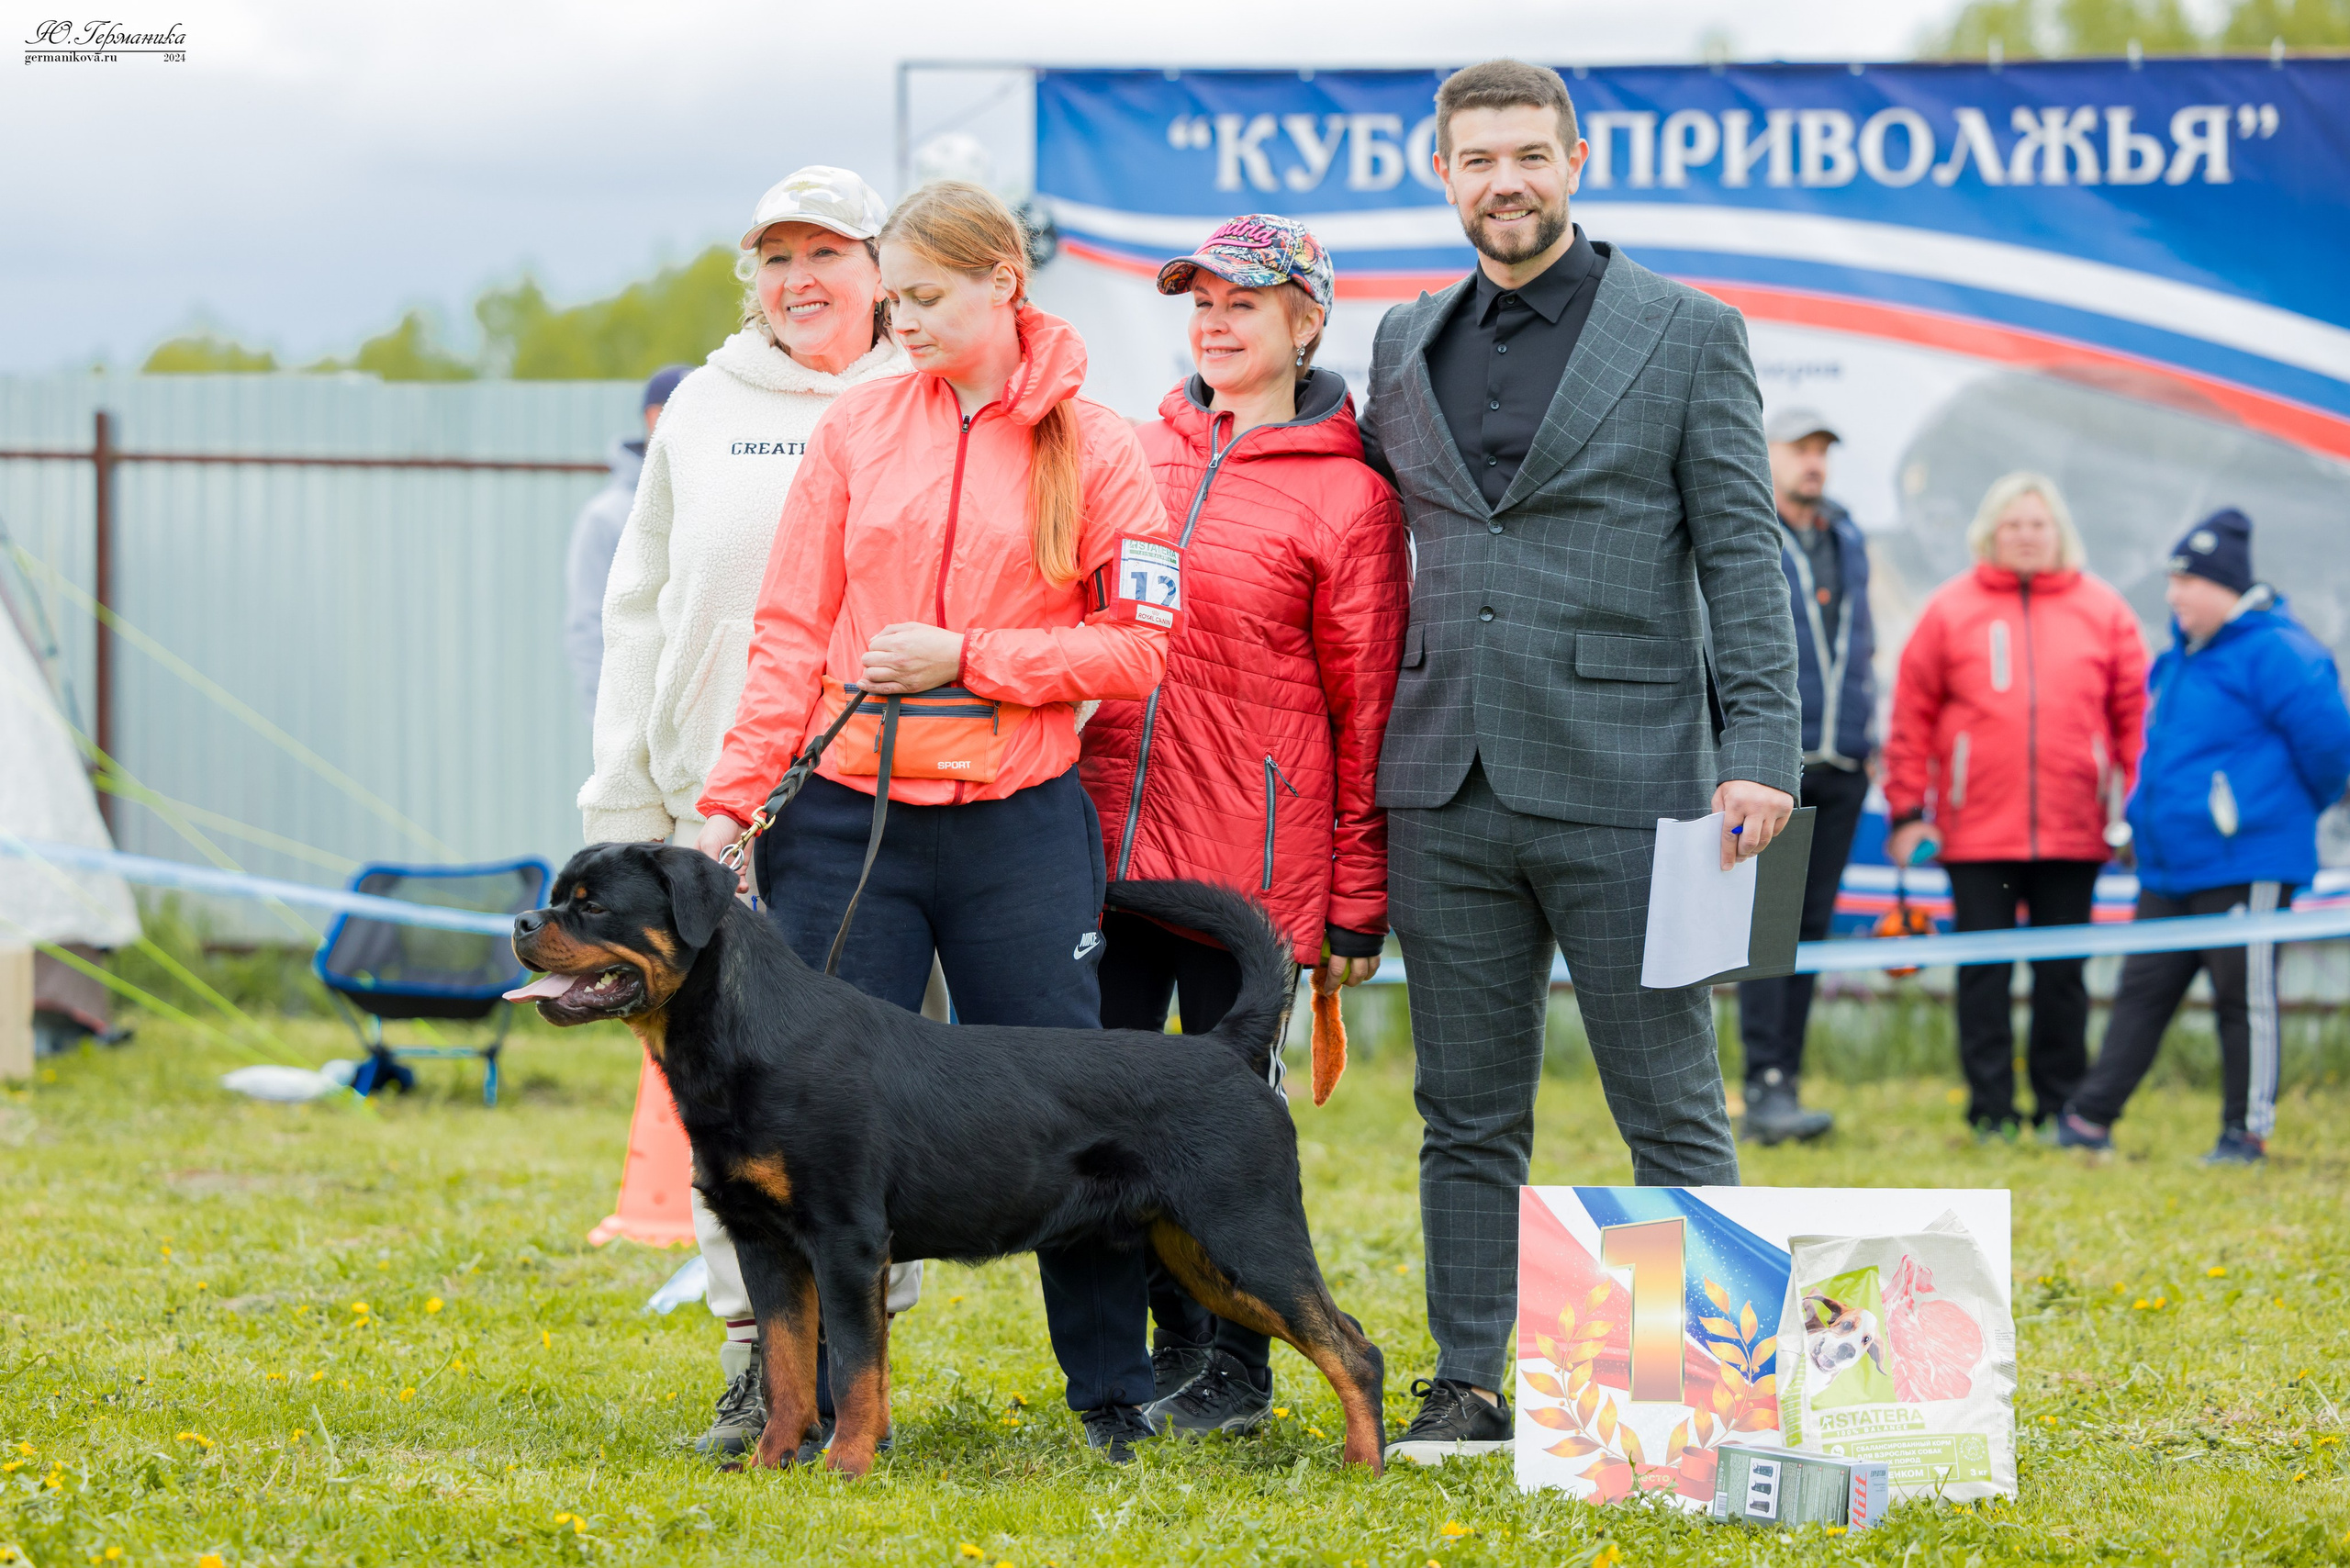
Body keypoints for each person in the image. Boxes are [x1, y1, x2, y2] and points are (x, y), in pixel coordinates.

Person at [692, 181, 1180, 1462]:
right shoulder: (856, 428)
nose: (898, 321)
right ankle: (815, 1404)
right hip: (844, 823)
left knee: (1073, 1109)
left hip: (1019, 826)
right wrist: (729, 807)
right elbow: (788, 635)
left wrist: (968, 659)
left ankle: (1112, 1395)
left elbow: (1138, 651)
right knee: (805, 1113)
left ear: (1003, 281)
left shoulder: (1102, 443)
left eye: (923, 297)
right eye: (892, 299)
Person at [1357, 60, 1801, 1465]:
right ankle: (1468, 1387)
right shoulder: (1400, 339)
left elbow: (1743, 554)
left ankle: (1703, 1393)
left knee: (1668, 1103)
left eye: (1531, 156)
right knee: (1463, 1113)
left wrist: (1763, 750)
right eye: (1480, 159)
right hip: (1445, 786)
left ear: (1577, 161)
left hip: (1639, 785)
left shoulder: (1687, 331)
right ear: (1442, 172)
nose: (1507, 182)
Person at [574, 164, 916, 1458]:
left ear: (880, 270)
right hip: (712, 818)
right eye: (776, 258)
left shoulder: (927, 390)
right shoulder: (703, 408)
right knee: (725, 1089)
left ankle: (856, 1363)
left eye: (826, 253)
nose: (799, 280)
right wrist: (628, 798)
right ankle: (750, 1357)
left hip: (881, 805)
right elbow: (638, 609)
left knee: (863, 1102)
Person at [1079, 214, 1407, 1436]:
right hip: (1109, 855)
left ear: (1306, 321)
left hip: (1249, 877)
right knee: (1107, 1119)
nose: (1215, 325)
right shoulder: (1130, 451)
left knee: (1219, 1135)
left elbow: (1367, 711)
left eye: (1245, 304)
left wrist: (1357, 897)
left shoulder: (1351, 495)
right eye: (1201, 304)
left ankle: (1238, 1366)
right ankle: (1163, 1354)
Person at [2057, 510, 2350, 1163]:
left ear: (2225, 586)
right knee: (2142, 991)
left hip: (2247, 862)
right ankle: (2088, 1120)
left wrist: (2264, 815)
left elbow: (2332, 751)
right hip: (2170, 865)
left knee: (2244, 1000)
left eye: (2187, 581)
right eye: (2171, 581)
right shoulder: (2180, 659)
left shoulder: (2280, 651)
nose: (2174, 595)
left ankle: (2245, 1133)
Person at [1882, 472, 2147, 1142]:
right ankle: (1991, 1111)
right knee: (1984, 974)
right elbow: (1911, 717)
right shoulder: (1949, 610)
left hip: (2074, 829)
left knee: (2063, 977)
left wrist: (2137, 809)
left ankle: (2061, 1105)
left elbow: (2136, 720)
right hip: (1976, 833)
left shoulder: (2104, 610)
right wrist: (1907, 811)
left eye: (2038, 524)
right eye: (2013, 524)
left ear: (2059, 534)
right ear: (1990, 534)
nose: (2027, 535)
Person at [1734, 408, 1875, 1146]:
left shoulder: (1846, 536)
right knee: (1766, 930)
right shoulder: (1744, 529)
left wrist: (1863, 734)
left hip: (1842, 761)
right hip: (1773, 766)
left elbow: (1861, 641)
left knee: (1810, 929)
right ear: (1765, 454)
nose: (1813, 462)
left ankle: (1785, 1080)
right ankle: (1762, 1084)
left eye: (1822, 449)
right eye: (1799, 448)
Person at [564, 364, 690, 720]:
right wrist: (607, 724)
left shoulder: (713, 507)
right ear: (653, 417)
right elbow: (588, 626)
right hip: (635, 720)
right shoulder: (607, 517)